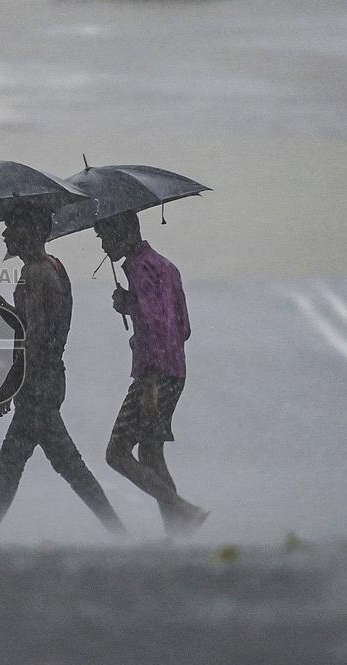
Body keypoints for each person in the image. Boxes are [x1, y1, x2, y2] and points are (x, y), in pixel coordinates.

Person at [0, 206, 127, 537]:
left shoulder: (37, 274)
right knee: (26, 463)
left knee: (52, 464)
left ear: (30, 232)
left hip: (38, 383)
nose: (5, 234)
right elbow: (26, 323)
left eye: (11, 225)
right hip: (46, 379)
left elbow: (35, 338)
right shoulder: (49, 268)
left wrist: (9, 385)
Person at [94, 212, 208, 536]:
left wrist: (151, 382)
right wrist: (131, 304)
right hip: (176, 371)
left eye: (105, 235)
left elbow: (158, 326)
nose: (103, 245)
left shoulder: (138, 268)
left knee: (117, 452)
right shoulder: (165, 266)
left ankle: (184, 510)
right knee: (150, 451)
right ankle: (178, 531)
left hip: (154, 375)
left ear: (124, 230)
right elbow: (181, 327)